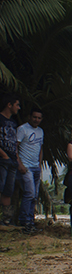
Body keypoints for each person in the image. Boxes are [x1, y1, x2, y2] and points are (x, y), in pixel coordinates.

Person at [16, 107, 44, 234]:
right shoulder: (22, 129)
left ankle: (31, 221)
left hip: (35, 167)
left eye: (39, 118)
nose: (36, 120)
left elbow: (40, 148)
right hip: (25, 166)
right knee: (29, 193)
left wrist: (39, 164)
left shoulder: (40, 131)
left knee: (35, 195)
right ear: (29, 117)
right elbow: (15, 147)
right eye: (34, 117)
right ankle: (24, 221)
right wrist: (20, 164)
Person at [0, 94, 21, 226]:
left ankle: (6, 219)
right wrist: (3, 155)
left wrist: (16, 159)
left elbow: (14, 143)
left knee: (8, 190)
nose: (18, 108)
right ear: (9, 105)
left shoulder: (13, 123)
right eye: (17, 105)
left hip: (12, 160)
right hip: (3, 159)